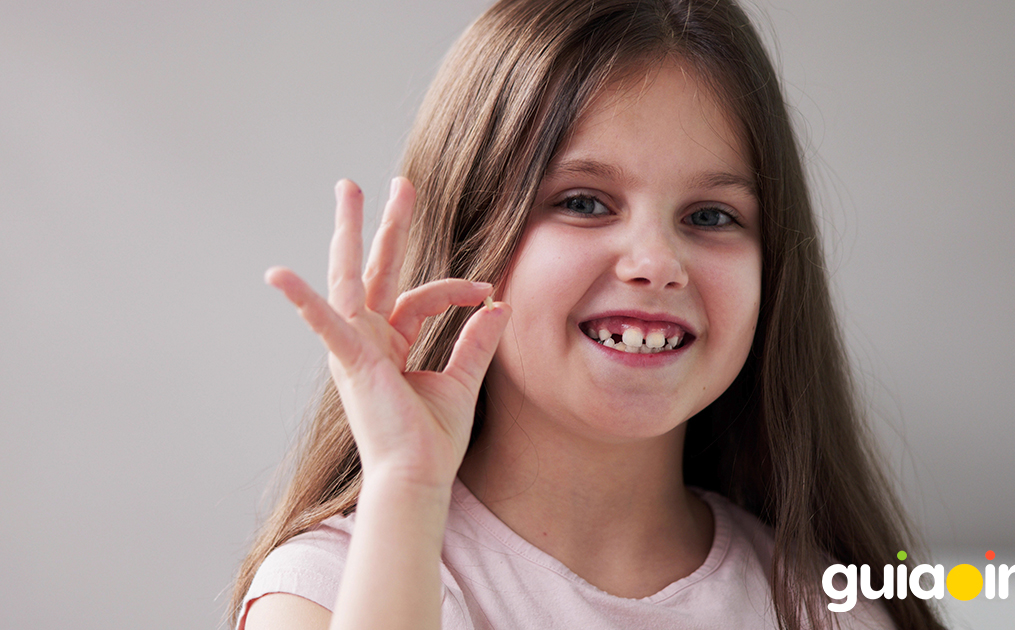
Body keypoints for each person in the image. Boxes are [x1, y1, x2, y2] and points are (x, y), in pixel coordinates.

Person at [231, 0, 946, 628]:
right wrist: (408, 491)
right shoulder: (328, 594)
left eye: (710, 214)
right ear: (473, 236)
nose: (656, 261)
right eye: (583, 202)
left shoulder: (829, 607)